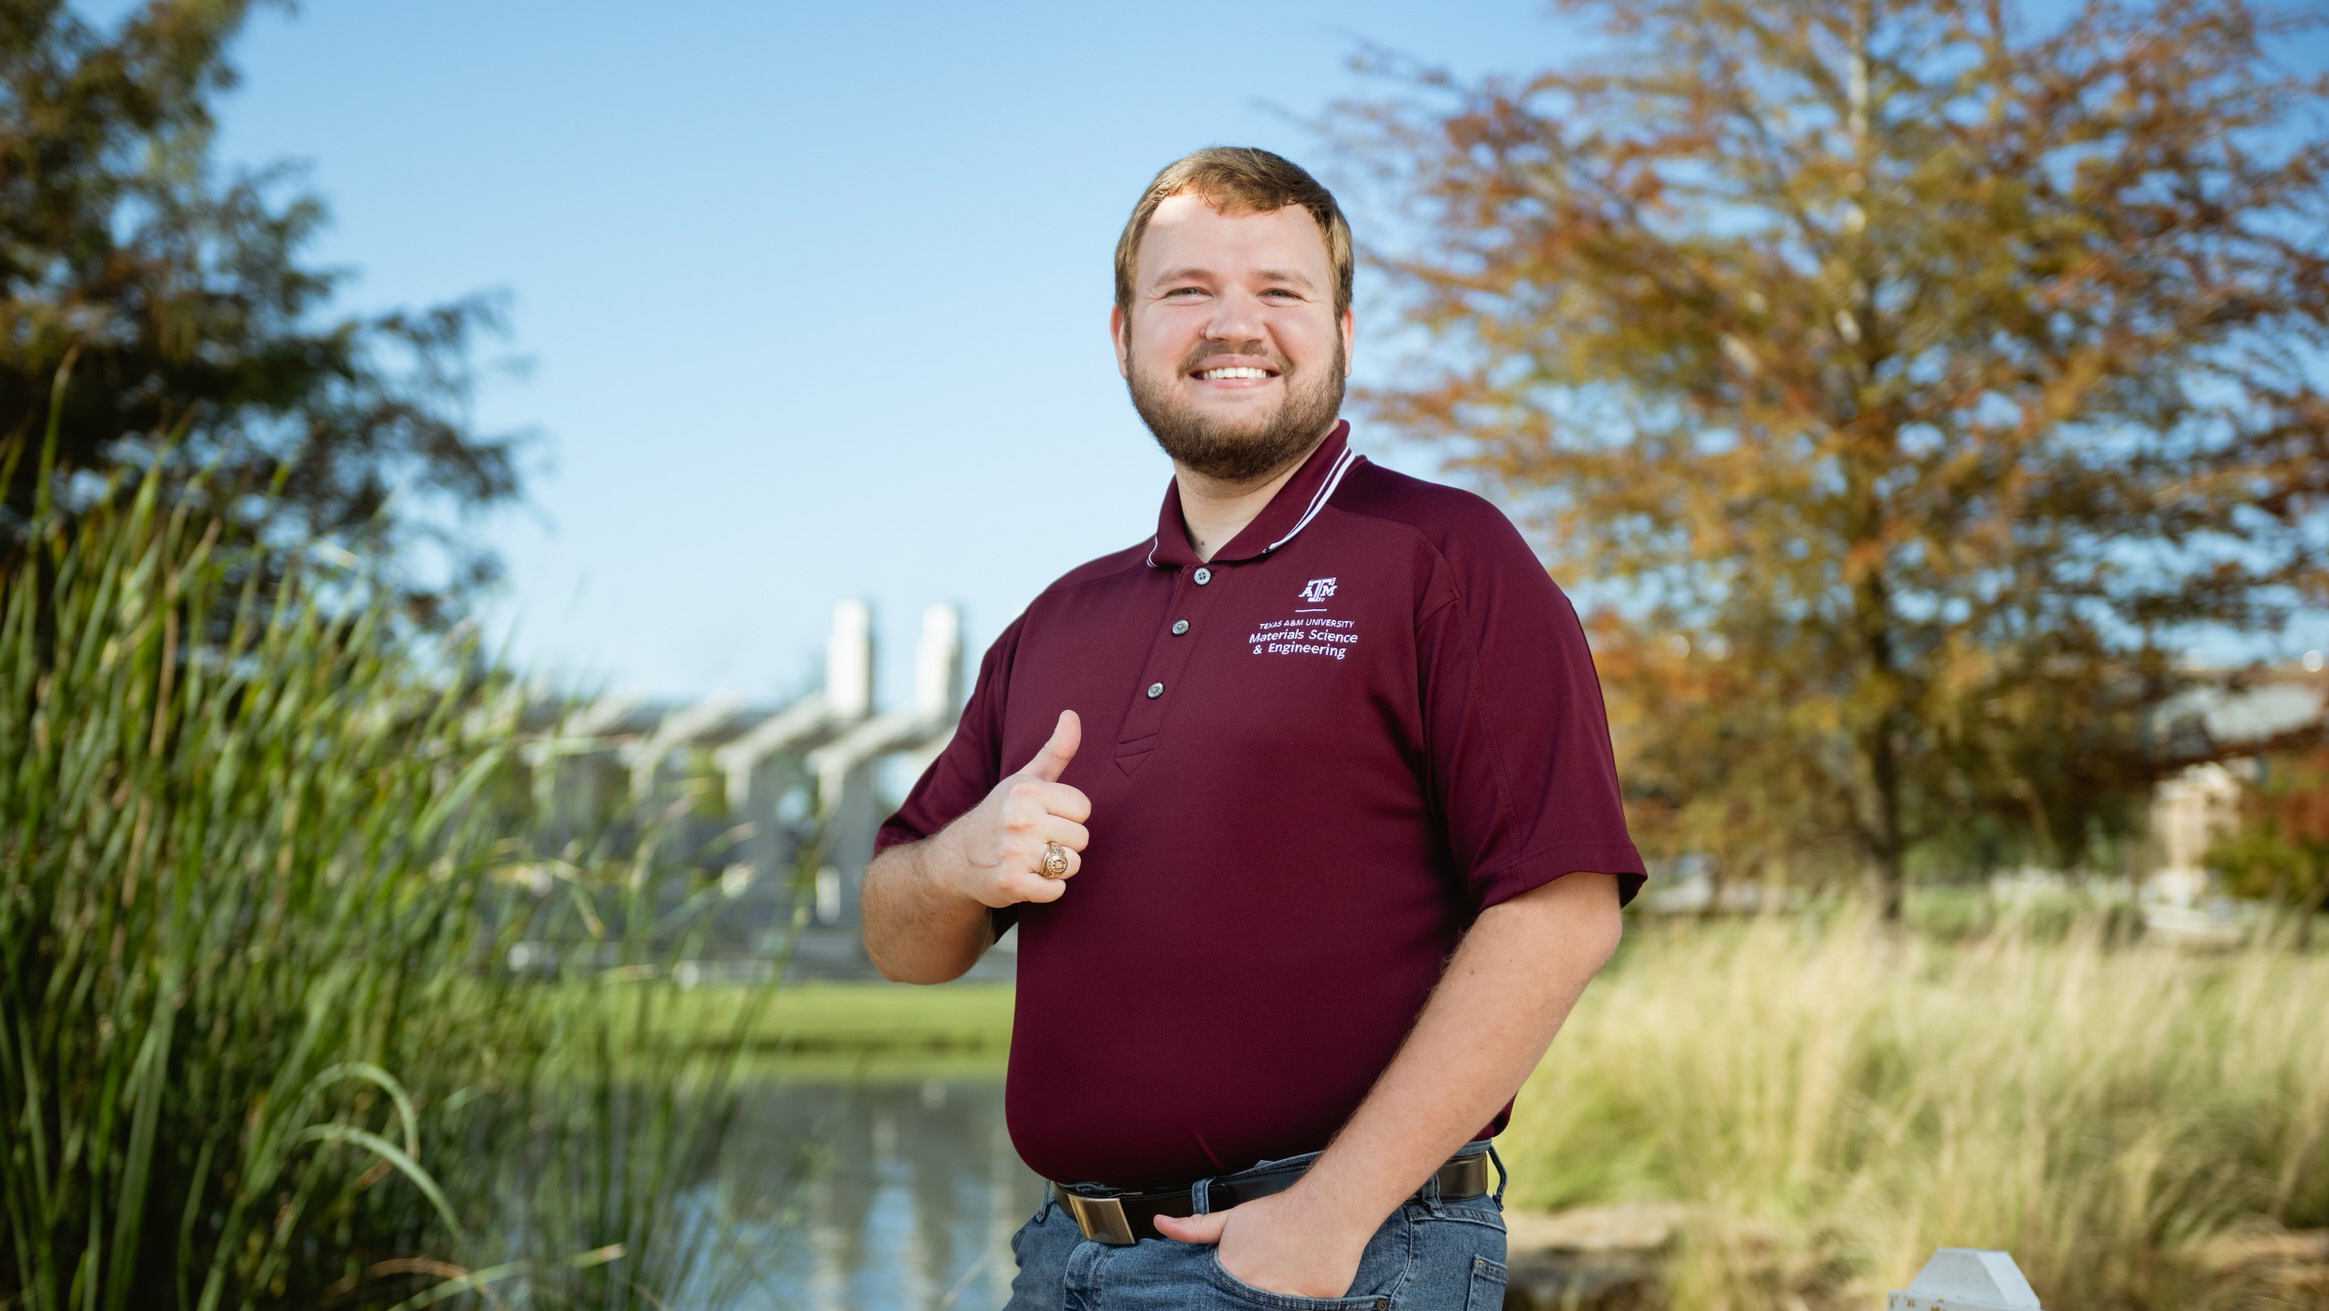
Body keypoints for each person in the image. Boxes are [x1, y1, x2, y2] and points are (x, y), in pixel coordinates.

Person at [859, 146, 1646, 1310]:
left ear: (1340, 330)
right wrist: (962, 861)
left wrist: (1334, 1215)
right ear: (1121, 333)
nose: (1236, 324)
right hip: (1060, 1258)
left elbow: (1560, 912)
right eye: (1188, 292)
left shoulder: (1448, 559)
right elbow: (898, 935)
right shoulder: (1057, 620)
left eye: (1279, 291)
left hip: (1328, 1260)